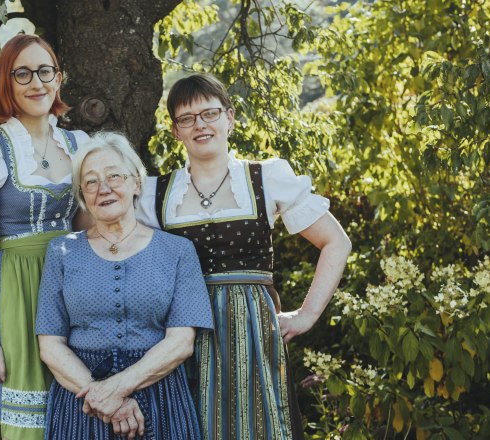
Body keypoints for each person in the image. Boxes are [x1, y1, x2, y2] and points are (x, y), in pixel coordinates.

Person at [137, 73, 352, 439]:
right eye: (187, 118)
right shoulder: (155, 193)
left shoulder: (266, 177)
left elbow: (336, 242)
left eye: (209, 113)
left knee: (260, 423)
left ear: (229, 118)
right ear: (176, 131)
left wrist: (307, 314)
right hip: (184, 332)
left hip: (253, 328)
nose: (200, 125)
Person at [35, 132, 214, 439]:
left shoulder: (177, 251)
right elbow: (50, 345)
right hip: (83, 402)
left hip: (159, 396)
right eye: (90, 181)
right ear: (82, 195)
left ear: (136, 183)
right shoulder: (61, 252)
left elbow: (182, 342)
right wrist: (106, 399)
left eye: (113, 176)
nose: (103, 188)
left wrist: (119, 388)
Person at [0, 34, 89, 440]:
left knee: (80, 408)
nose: (37, 83)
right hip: (18, 290)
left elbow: (88, 230)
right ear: (6, 83)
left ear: (59, 78)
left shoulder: (78, 145)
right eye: (23, 73)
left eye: (45, 71)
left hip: (71, 287)